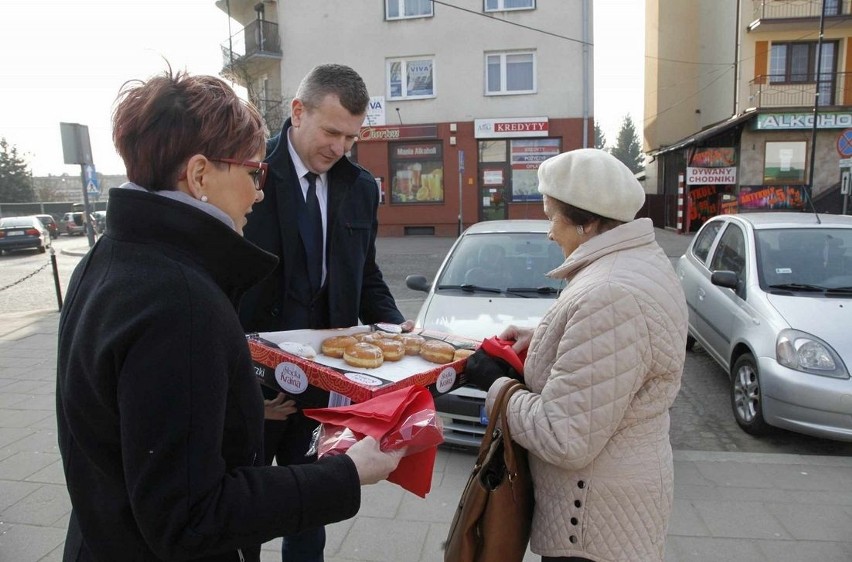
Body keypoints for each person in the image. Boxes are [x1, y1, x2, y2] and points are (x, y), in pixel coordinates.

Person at [55, 68, 403, 562]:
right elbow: (193, 517)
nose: (259, 193)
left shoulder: (107, 257)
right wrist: (348, 472)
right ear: (200, 176)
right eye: (253, 172)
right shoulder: (181, 302)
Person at [468, 148, 688, 562]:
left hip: (591, 525)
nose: (549, 232)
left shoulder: (609, 293)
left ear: (586, 223)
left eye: (553, 216)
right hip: (618, 503)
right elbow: (617, 352)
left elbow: (565, 436)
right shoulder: (636, 262)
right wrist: (545, 336)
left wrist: (496, 388)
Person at [238, 63, 412, 562]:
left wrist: (394, 324)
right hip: (256, 381)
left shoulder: (358, 187)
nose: (340, 148)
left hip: (324, 384)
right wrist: (244, 386)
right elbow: (221, 289)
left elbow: (367, 276)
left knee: (312, 505)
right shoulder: (250, 173)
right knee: (242, 507)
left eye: (351, 138)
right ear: (297, 111)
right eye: (331, 131)